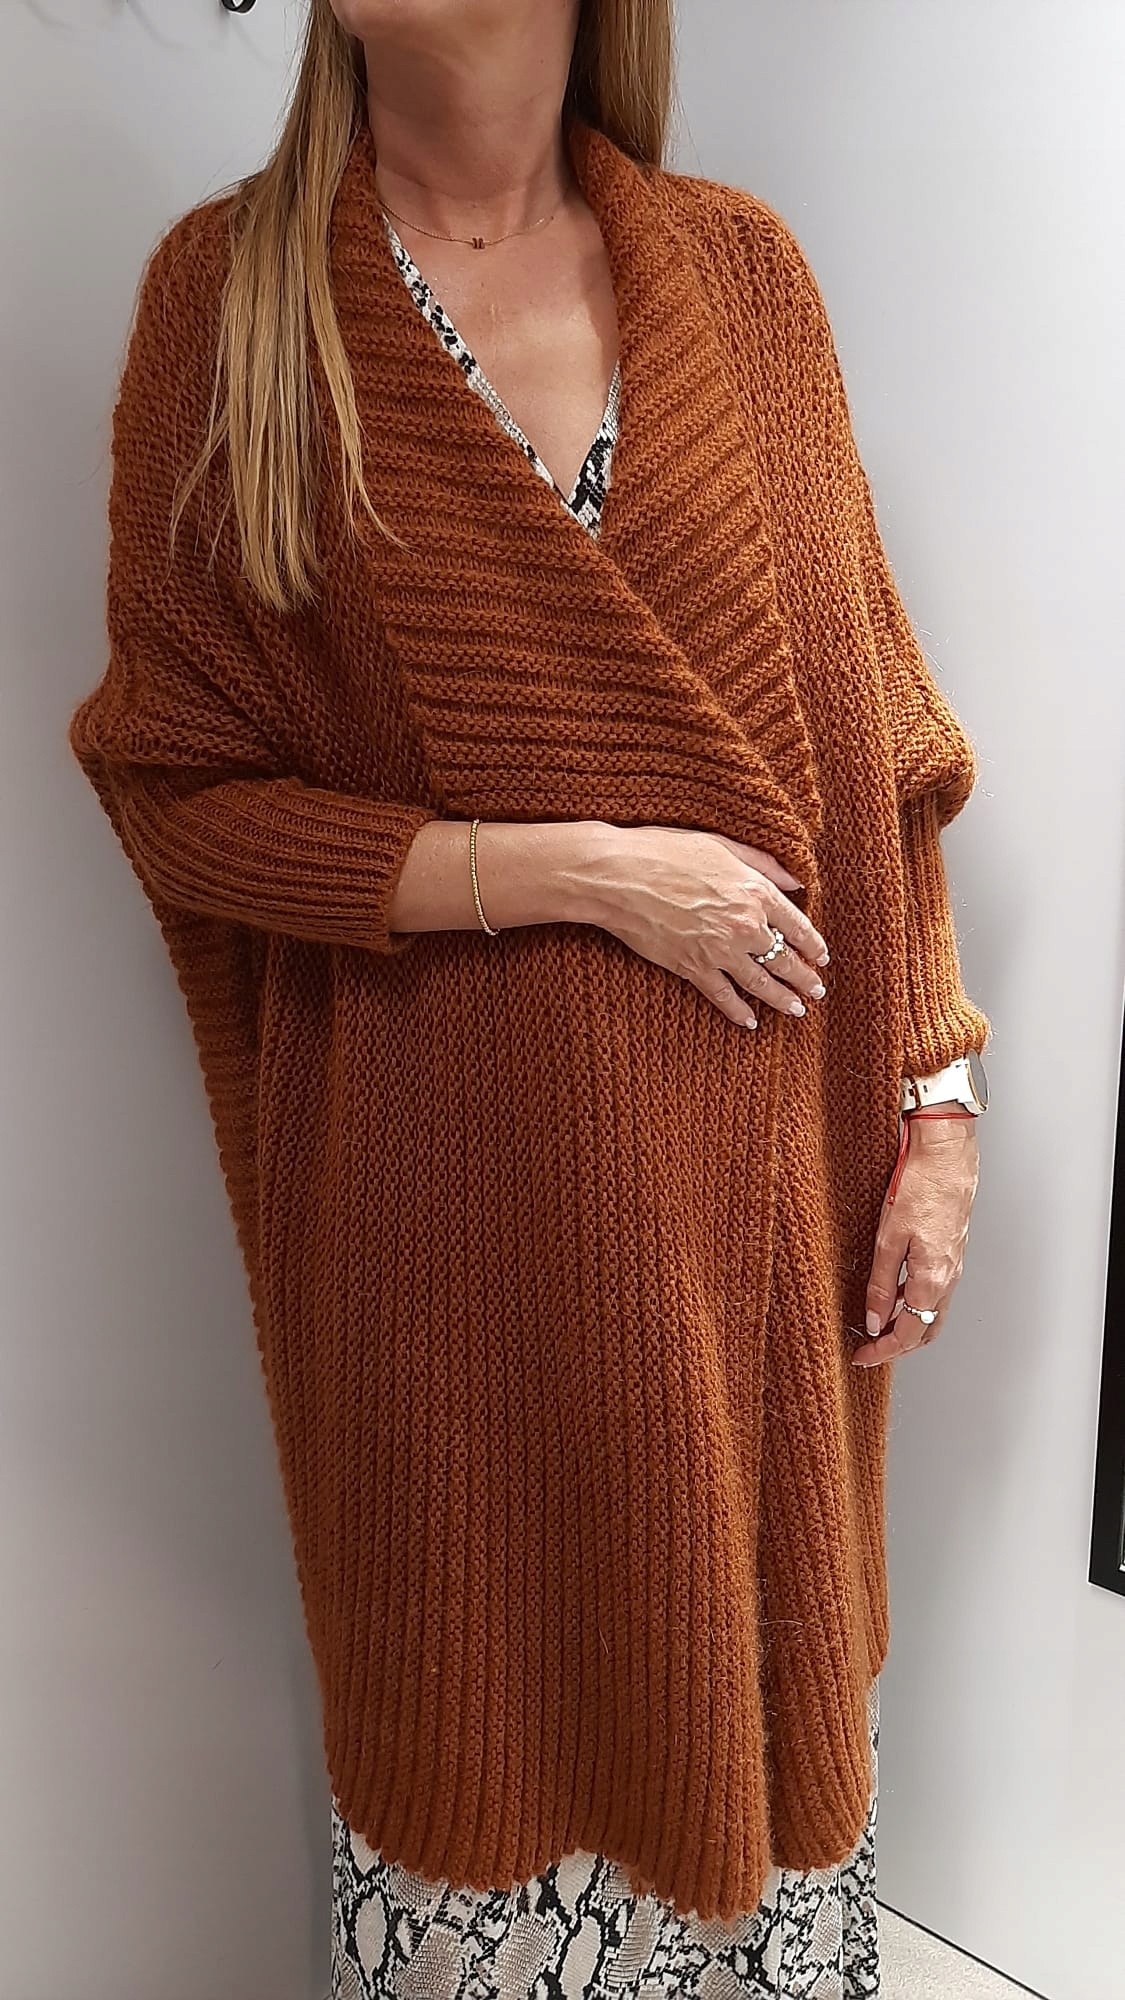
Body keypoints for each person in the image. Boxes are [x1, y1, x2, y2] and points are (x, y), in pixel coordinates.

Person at [68, 1, 991, 1993]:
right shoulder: (232, 305)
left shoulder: (737, 275)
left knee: (749, 1810)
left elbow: (875, 742)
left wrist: (936, 1105)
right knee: (475, 1788)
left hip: (753, 1256)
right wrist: (574, 868)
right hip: (450, 1277)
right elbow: (178, 791)